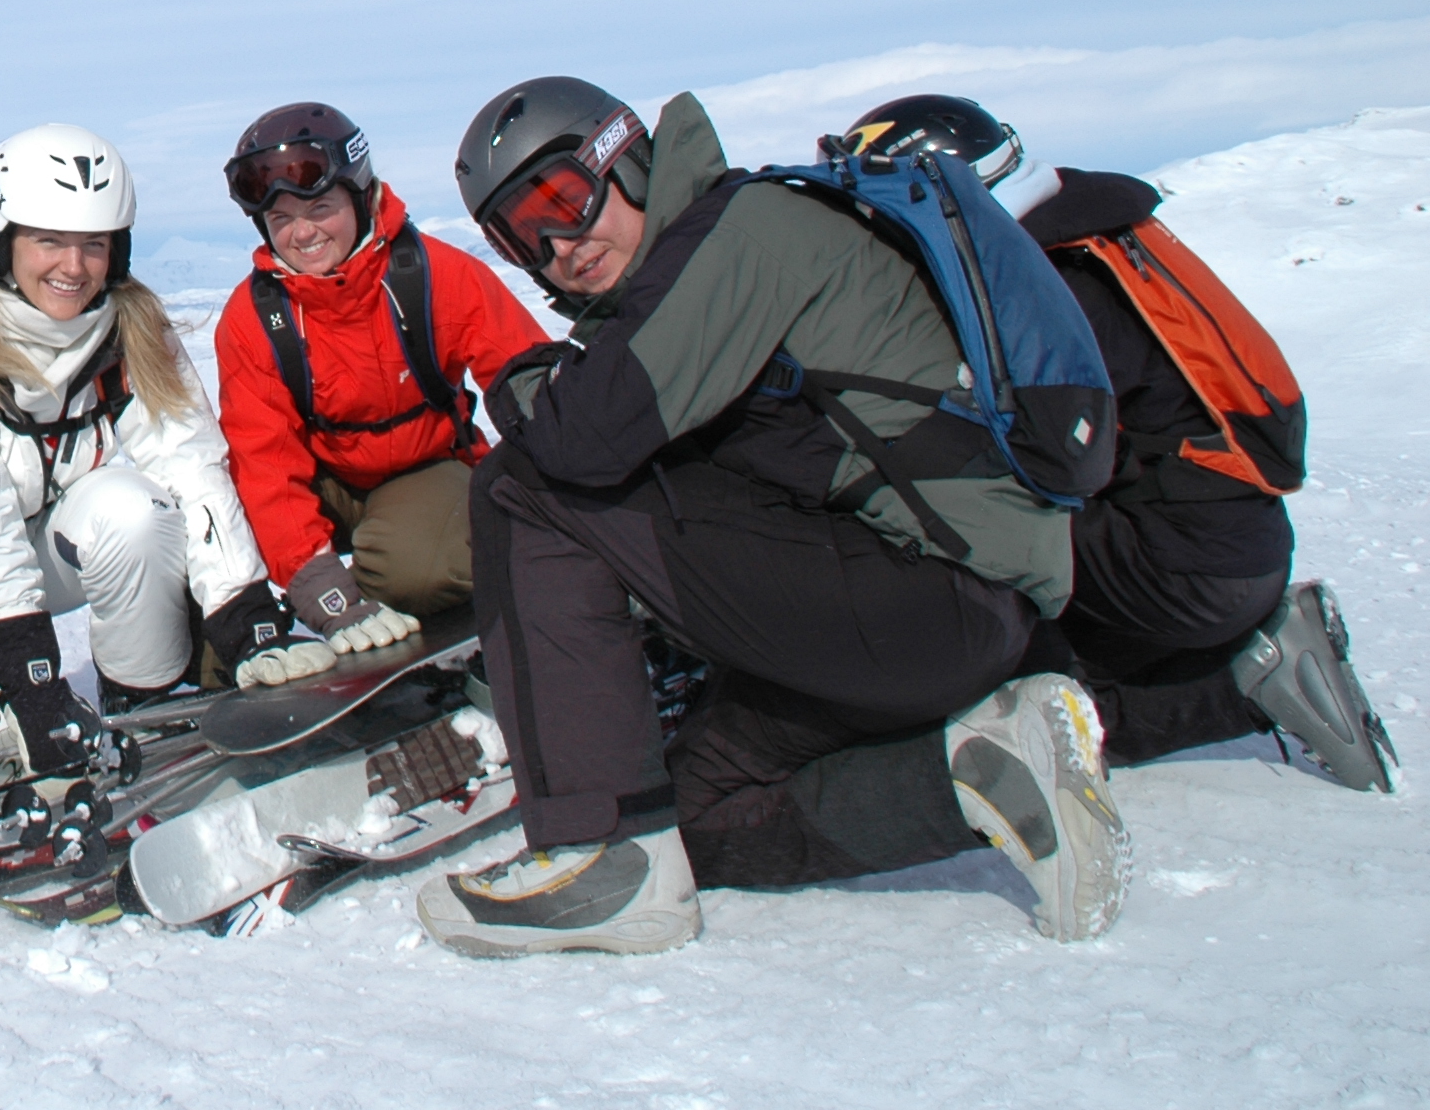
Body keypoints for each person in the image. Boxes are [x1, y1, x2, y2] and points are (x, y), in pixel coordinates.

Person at [422, 78, 1131, 958]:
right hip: (939, 613)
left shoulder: (744, 232)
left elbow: (580, 439)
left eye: (562, 198)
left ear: (627, 158)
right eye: (521, 234)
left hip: (933, 596)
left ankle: (596, 854)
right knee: (701, 816)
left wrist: (524, 384)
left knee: (524, 488)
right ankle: (979, 771)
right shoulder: (690, 270)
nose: (559, 242)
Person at [843, 94, 1397, 791]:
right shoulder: (1095, 235)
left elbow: (1044, 453)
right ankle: (1239, 665)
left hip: (1183, 566)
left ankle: (1246, 682)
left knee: (994, 649)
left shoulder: (1049, 281)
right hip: (1224, 540)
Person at [0, 122, 332, 821]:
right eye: (49, 240)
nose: (72, 267)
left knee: (135, 512)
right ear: (3, 239)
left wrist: (243, 615)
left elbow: (191, 462)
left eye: (93, 244)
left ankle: (143, 706)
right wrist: (32, 685)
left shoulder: (130, 326)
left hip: (54, 541)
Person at [211, 101, 549, 649]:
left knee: (415, 566)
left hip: (425, 469)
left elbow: (529, 383)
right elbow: (265, 463)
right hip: (323, 482)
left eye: (319, 207)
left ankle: (419, 591)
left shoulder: (437, 275)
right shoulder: (253, 321)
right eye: (280, 219)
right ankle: (229, 660)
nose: (301, 234)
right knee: (214, 532)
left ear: (361, 196)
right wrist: (326, 594)